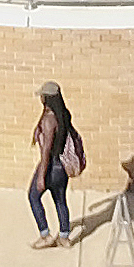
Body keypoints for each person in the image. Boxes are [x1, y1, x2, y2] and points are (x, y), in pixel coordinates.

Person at [29, 80, 79, 247]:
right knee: (60, 201)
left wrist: (41, 177)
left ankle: (45, 235)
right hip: (62, 168)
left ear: (46, 98)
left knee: (33, 197)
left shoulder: (49, 120)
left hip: (50, 166)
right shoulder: (62, 114)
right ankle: (64, 236)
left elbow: (46, 152)